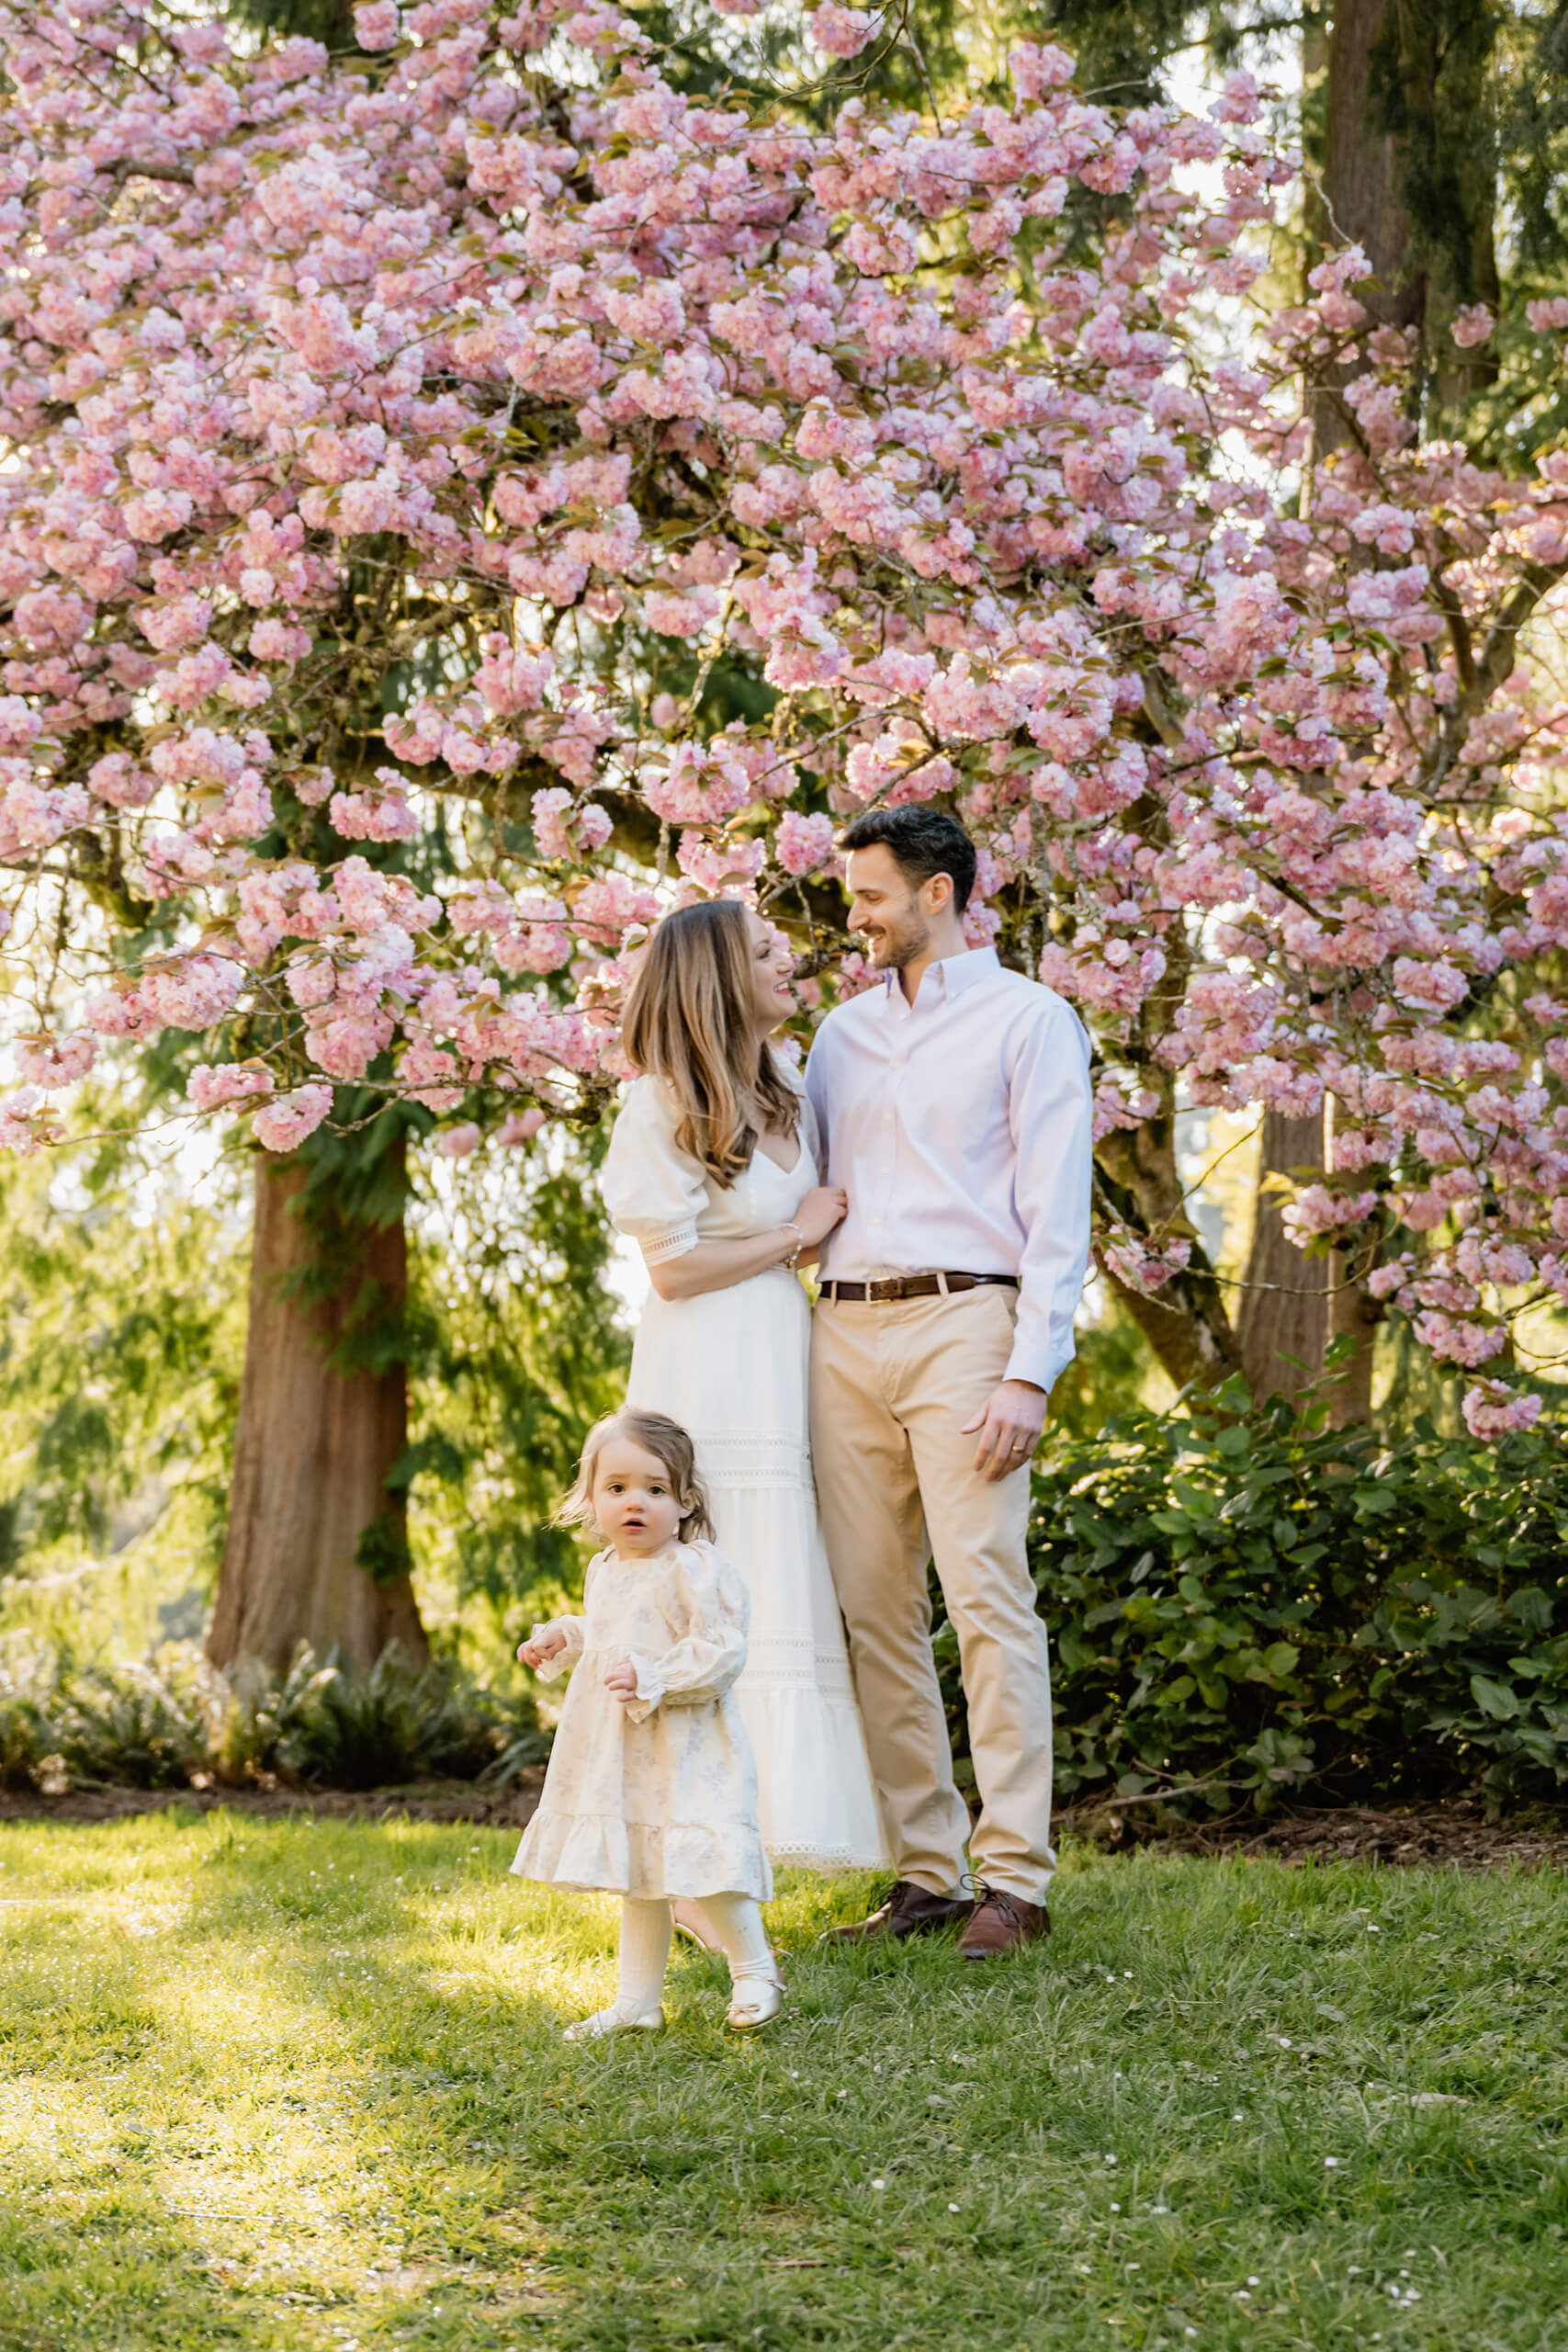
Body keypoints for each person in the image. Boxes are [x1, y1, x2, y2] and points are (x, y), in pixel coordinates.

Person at [805, 807, 1093, 1960]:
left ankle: (1014, 1878)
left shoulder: (1033, 1020)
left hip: (969, 1320)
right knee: (875, 1610)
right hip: (843, 1331)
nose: (855, 918)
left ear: (939, 894)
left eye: (871, 895)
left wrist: (1030, 1369)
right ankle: (925, 1872)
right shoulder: (836, 1035)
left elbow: (1056, 1207)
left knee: (985, 1597)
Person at [598, 899, 888, 1920]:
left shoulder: (792, 1079)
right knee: (710, 1577)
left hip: (780, 1349)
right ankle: (683, 1853)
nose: (788, 960)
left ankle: (758, 1842)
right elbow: (674, 1270)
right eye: (765, 951)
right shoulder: (662, 1103)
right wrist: (798, 1235)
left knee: (778, 1579)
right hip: (705, 1364)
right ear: (721, 976)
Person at [512, 1408, 784, 2036]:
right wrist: (564, 1636)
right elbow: (611, 1632)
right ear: (591, 1499)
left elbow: (721, 1650)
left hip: (685, 1746)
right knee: (641, 1868)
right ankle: (637, 2002)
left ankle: (755, 1973)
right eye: (616, 1488)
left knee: (702, 1857)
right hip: (621, 1749)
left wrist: (654, 1677)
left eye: (654, 1489)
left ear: (685, 1501)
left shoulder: (694, 1568)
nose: (635, 1502)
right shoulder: (604, 1569)